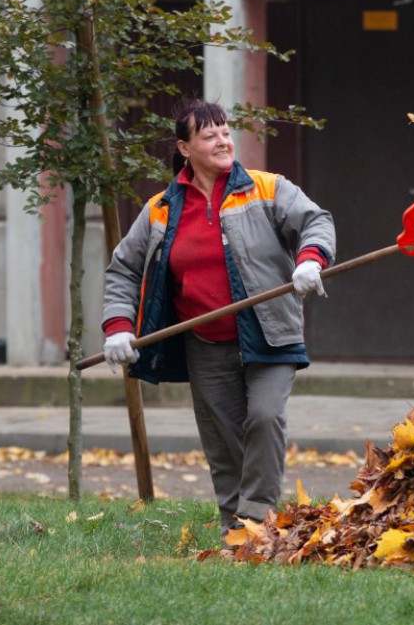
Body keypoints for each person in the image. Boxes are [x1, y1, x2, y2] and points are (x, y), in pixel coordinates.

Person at [101, 99, 335, 533]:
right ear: (184, 148)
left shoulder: (266, 188)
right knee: (223, 441)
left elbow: (315, 222)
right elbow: (124, 269)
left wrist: (310, 259)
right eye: (210, 135)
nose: (223, 141)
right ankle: (235, 529)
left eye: (226, 132)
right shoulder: (161, 208)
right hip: (205, 344)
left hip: (269, 332)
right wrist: (118, 326)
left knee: (264, 417)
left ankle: (258, 518)